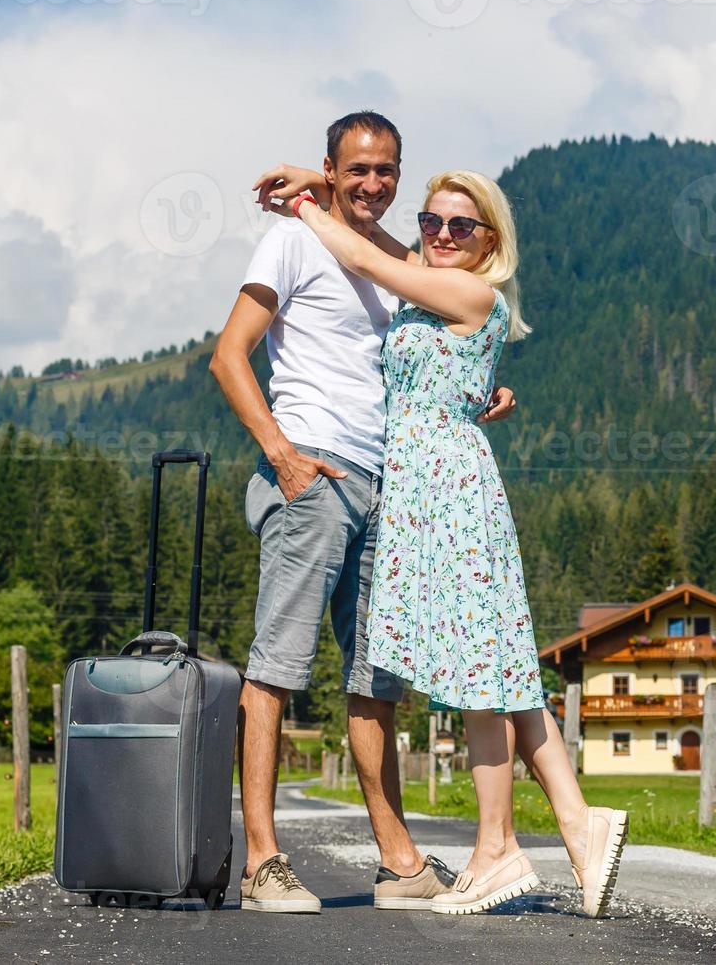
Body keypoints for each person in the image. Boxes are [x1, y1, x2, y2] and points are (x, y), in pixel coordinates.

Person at [252, 160, 628, 917]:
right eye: (432, 223)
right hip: (422, 492)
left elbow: (362, 254)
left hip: (448, 494)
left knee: (481, 666)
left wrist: (305, 203)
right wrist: (326, 188)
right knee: (500, 663)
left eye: (462, 225)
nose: (442, 235)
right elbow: (382, 245)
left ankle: (499, 851)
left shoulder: (470, 291)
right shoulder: (430, 275)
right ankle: (579, 822)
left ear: (491, 239)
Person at [210, 112, 517, 914]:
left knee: (374, 682)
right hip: (312, 473)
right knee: (276, 667)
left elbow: (438, 346)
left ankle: (399, 861)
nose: (373, 183)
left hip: (390, 491)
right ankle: (263, 865)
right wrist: (280, 453)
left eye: (387, 171)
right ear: (330, 170)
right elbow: (228, 353)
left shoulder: (400, 259)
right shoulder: (290, 241)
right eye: (356, 170)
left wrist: (484, 394)